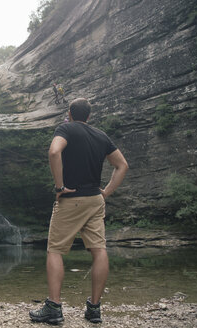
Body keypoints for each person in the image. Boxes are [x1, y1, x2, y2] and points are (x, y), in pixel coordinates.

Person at [29, 98, 128, 325]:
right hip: (95, 200)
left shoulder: (66, 128)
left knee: (55, 250)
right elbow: (122, 165)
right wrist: (106, 192)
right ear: (89, 116)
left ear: (70, 114)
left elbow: (54, 152)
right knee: (99, 251)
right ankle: (94, 310)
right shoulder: (101, 136)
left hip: (71, 199)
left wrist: (59, 186)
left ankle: (53, 308)